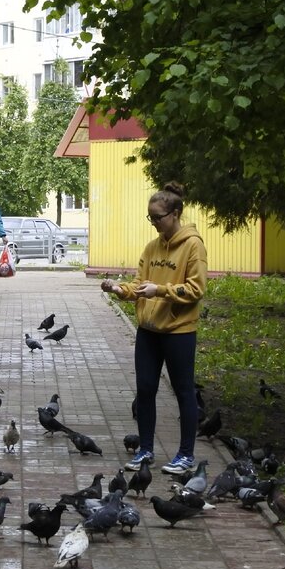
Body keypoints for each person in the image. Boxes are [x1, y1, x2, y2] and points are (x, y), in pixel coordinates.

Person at [101, 182, 208, 476]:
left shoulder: (193, 246)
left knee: (184, 392)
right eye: (150, 218)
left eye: (158, 217)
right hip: (148, 330)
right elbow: (139, 285)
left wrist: (160, 290)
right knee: (145, 390)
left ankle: (185, 455)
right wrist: (119, 289)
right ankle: (145, 450)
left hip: (178, 331)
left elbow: (196, 289)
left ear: (175, 213)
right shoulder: (152, 247)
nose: (154, 223)